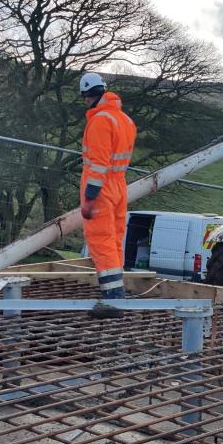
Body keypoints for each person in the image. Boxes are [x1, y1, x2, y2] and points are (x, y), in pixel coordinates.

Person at [79, 72, 137, 303]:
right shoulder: (125, 120)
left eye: (84, 97)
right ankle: (116, 289)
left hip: (101, 188)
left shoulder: (100, 120)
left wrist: (90, 196)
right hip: (120, 186)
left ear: (89, 95)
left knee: (100, 238)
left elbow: (99, 164)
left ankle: (113, 296)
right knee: (114, 239)